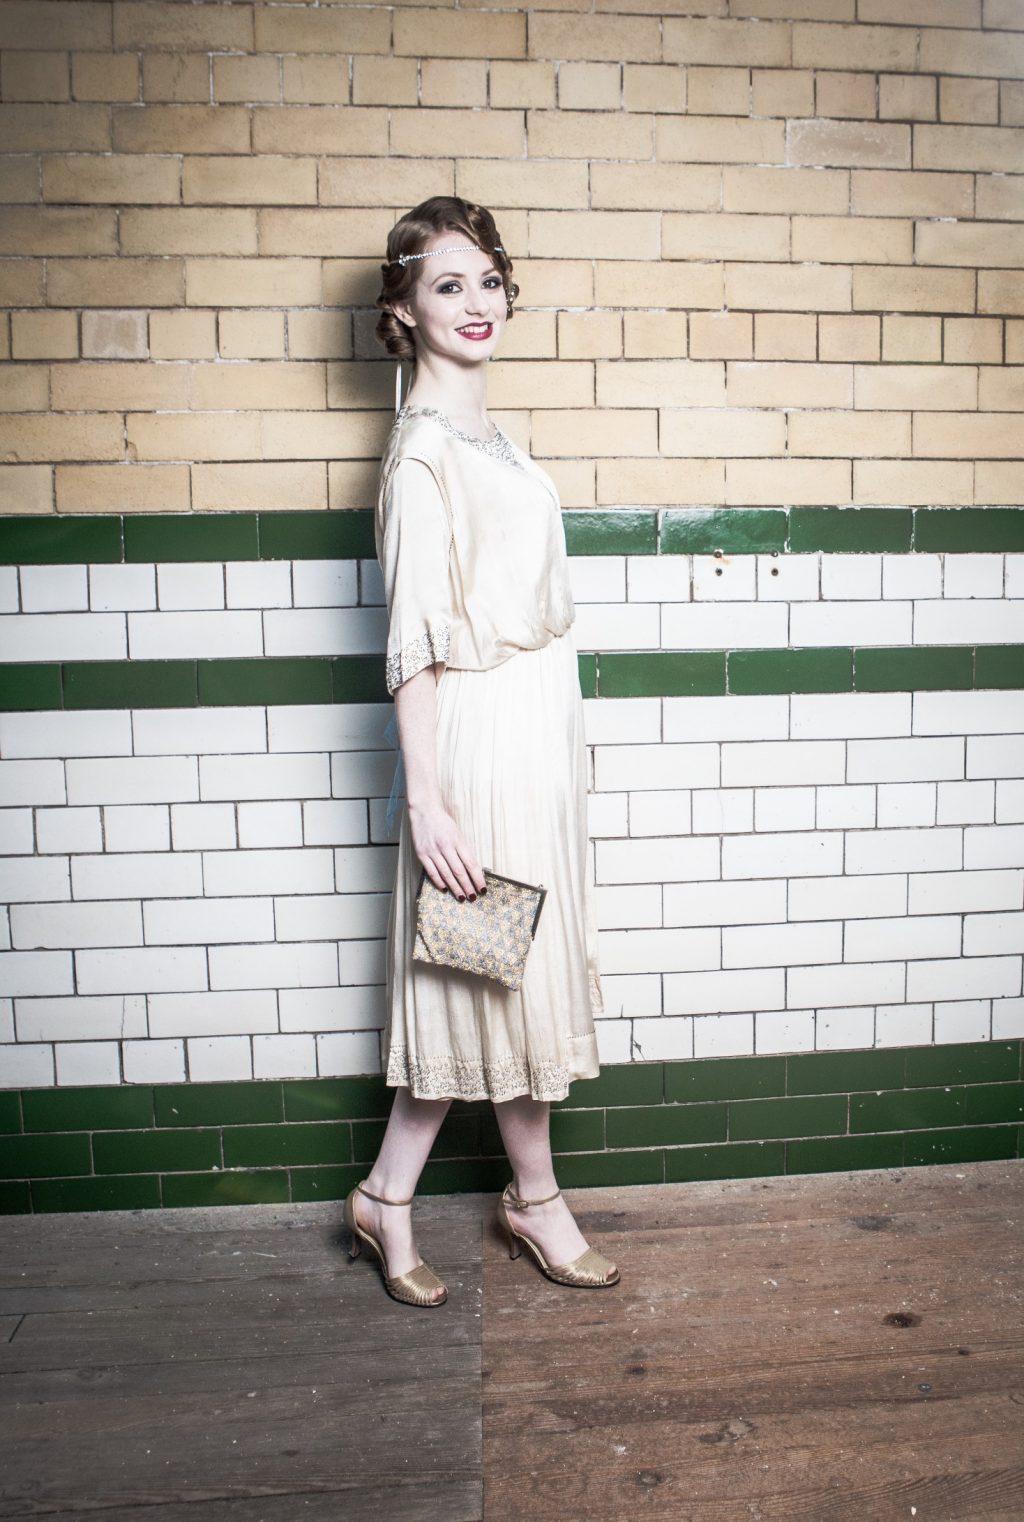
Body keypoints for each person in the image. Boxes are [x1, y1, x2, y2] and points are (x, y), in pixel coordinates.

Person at [342, 196, 619, 1306]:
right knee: (476, 969)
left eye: (488, 280)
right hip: (475, 746)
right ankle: (471, 1200)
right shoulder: (421, 461)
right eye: (447, 284)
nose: (475, 302)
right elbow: (412, 649)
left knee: (511, 968)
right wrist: (430, 803)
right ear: (402, 309)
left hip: (535, 735)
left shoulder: (491, 439)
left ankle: (450, 1197)